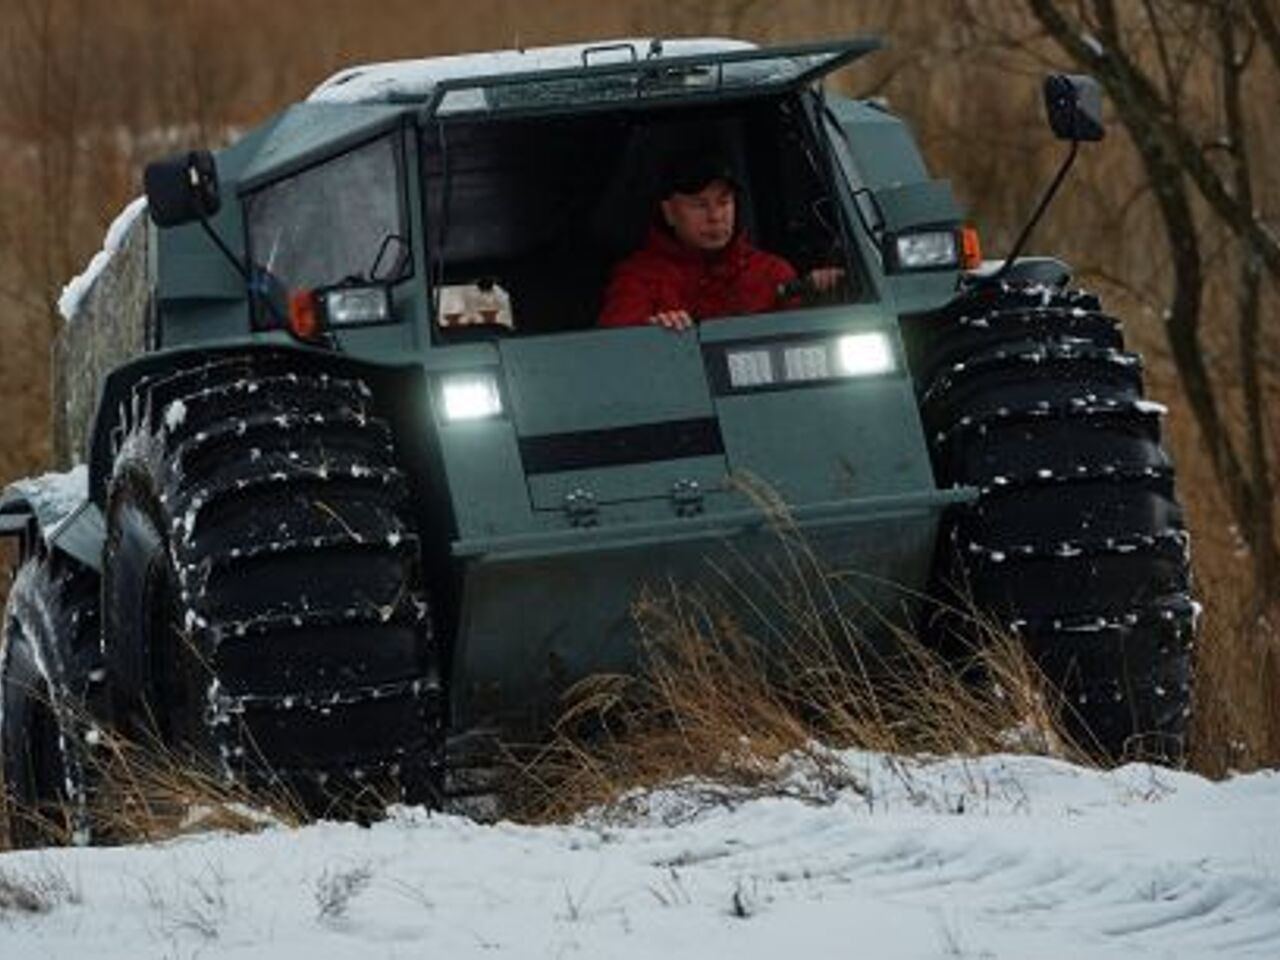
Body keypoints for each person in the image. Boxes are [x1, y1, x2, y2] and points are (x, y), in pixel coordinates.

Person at [598, 150, 842, 330]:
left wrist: (826, 300)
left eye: (724, 202)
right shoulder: (637, 278)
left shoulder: (772, 271)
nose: (715, 217)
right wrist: (651, 331)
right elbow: (616, 352)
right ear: (669, 212)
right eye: (699, 205)